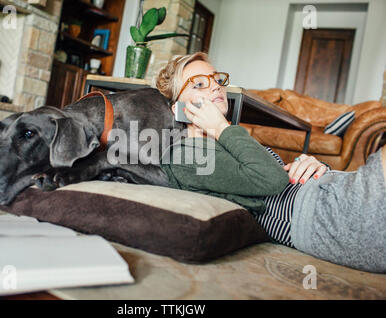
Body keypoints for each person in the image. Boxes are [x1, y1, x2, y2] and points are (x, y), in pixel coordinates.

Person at [156, 52, 386, 273]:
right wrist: (220, 127)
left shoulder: (225, 140)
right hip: (325, 217)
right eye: (199, 85)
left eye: (216, 79)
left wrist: (317, 167)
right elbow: (272, 180)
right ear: (178, 108)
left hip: (332, 194)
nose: (216, 86)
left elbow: (278, 173)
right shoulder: (185, 155)